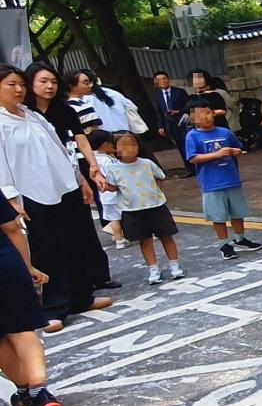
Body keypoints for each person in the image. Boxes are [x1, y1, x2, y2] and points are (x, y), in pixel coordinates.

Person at [0, 64, 112, 333]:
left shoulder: (31, 115)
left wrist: (79, 178)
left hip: (63, 186)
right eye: (11, 84)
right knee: (47, 248)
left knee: (76, 240)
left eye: (21, 84)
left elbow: (60, 148)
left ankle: (81, 297)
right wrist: (11, 197)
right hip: (31, 192)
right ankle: (54, 307)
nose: (19, 90)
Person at [24, 62, 119, 289]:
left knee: (83, 224)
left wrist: (92, 166)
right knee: (50, 233)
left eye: (53, 82)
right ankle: (59, 285)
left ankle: (96, 277)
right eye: (43, 81)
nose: (49, 87)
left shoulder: (64, 109)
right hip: (37, 178)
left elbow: (80, 137)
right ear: (31, 84)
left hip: (71, 170)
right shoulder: (24, 113)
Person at [0, 196, 60, 406]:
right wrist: (27, 267)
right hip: (5, 264)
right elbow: (12, 227)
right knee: (22, 328)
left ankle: (25, 390)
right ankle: (38, 391)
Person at [184, 97, 262, 260]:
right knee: (218, 215)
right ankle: (224, 243)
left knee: (237, 212)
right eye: (200, 115)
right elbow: (192, 158)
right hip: (212, 182)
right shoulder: (192, 136)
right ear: (192, 118)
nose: (205, 117)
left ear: (213, 113)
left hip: (231, 178)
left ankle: (240, 238)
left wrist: (236, 152)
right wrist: (216, 154)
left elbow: (238, 148)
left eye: (208, 113)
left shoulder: (225, 132)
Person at [101, 131, 184, 285]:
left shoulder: (147, 163)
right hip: (132, 211)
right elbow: (113, 187)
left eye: (133, 144)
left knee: (166, 236)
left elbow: (160, 177)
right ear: (114, 149)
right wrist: (106, 187)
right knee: (144, 240)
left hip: (156, 206)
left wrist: (157, 192)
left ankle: (174, 264)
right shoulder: (114, 169)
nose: (130, 148)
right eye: (124, 145)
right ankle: (153, 268)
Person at [86, 129, 128, 250]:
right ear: (105, 144)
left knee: (114, 218)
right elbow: (115, 175)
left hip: (104, 195)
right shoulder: (107, 160)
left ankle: (119, 240)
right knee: (130, 214)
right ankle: (147, 232)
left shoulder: (93, 159)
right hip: (115, 193)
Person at [152, 70, 191, 169]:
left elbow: (188, 107)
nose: (163, 81)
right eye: (160, 80)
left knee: (187, 144)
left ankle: (194, 165)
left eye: (164, 78)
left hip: (182, 122)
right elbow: (159, 112)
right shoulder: (158, 95)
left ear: (168, 79)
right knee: (180, 147)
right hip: (169, 125)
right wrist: (160, 126)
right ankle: (188, 167)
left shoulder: (179, 92)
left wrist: (179, 112)